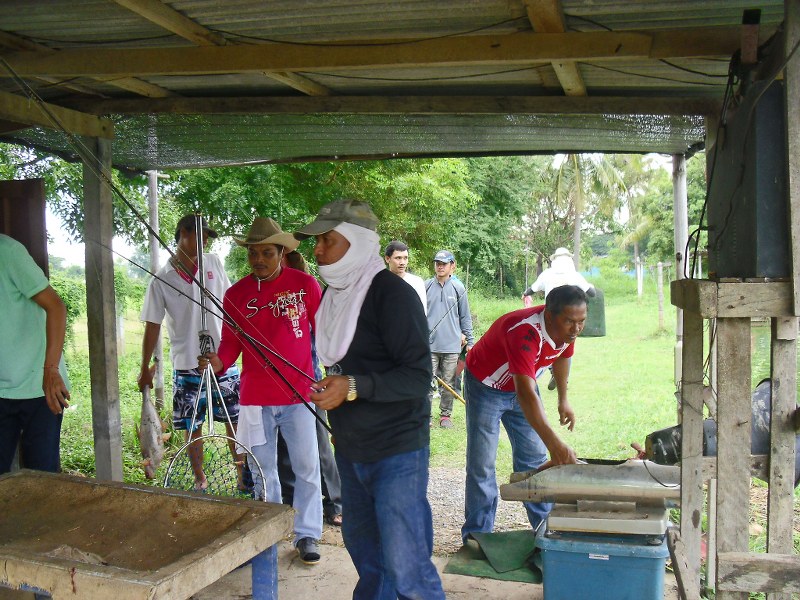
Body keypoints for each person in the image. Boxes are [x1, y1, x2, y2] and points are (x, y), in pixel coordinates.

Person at [297, 199, 445, 600]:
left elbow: (418, 377)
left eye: (328, 240)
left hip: (396, 450)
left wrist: (353, 386)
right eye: (318, 242)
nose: (318, 250)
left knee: (406, 565)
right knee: (367, 558)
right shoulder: (335, 296)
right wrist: (336, 388)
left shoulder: (392, 295)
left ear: (358, 243)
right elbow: (345, 367)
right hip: (351, 447)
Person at [200, 216, 324, 566]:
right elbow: (230, 346)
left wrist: (333, 374)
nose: (258, 259)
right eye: (253, 253)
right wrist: (217, 363)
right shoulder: (235, 293)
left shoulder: (305, 285)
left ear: (282, 252)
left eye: (266, 252)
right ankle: (267, 535)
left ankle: (307, 533)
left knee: (306, 467)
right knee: (261, 469)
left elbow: (324, 335)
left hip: (300, 394)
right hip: (254, 399)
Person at [461, 285, 587, 543]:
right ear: (550, 316)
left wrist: (563, 399)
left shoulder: (566, 332)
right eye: (570, 322)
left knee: (534, 459)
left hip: (522, 386)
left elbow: (563, 356)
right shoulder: (525, 332)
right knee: (482, 465)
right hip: (486, 386)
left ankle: (546, 531)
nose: (576, 329)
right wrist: (556, 445)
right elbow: (526, 394)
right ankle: (477, 537)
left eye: (581, 322)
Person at [138, 214, 242, 491]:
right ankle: (200, 479)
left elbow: (231, 305)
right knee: (191, 423)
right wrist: (144, 368)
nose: (205, 240)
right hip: (187, 364)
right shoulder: (161, 279)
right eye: (200, 234)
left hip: (223, 360)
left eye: (207, 235)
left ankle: (243, 476)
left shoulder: (214, 263)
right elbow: (152, 325)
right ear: (182, 233)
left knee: (234, 419)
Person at [277, 248, 343, 527]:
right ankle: (292, 505)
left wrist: (329, 374)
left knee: (319, 444)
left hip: (309, 380)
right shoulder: (261, 294)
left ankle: (334, 502)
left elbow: (326, 339)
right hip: (276, 387)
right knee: (283, 451)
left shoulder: (308, 294)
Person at [0, 234, 70, 475]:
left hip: (39, 388)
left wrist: (51, 370)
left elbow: (56, 307)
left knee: (41, 480)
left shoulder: (8, 252)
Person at [522, 247, 595, 390]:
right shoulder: (575, 276)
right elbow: (591, 292)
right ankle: (562, 378)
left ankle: (551, 372)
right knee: (566, 347)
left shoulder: (547, 274)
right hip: (569, 319)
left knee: (546, 346)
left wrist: (525, 293)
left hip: (549, 318)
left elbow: (533, 289)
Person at [425, 249, 475, 428]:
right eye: (437, 263)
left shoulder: (458, 288)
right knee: (426, 382)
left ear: (452, 266)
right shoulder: (426, 286)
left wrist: (470, 341)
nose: (440, 266)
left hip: (452, 346)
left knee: (449, 383)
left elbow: (465, 317)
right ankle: (426, 416)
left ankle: (445, 415)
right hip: (429, 346)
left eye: (444, 263)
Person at [384, 240, 427, 313]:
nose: (402, 263)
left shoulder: (417, 282)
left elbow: (422, 313)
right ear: (387, 259)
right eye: (398, 258)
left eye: (405, 258)